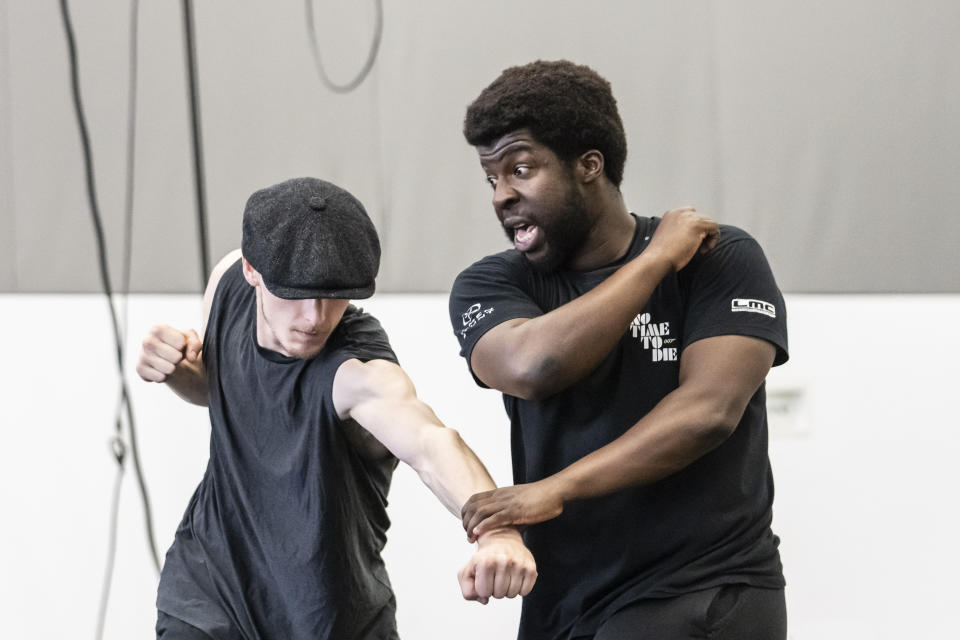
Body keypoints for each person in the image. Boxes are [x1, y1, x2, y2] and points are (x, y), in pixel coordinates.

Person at [448, 60, 789, 640]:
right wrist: (654, 261)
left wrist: (556, 488)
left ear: (589, 166)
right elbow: (534, 366)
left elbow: (707, 413)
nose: (503, 196)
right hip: (563, 601)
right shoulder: (492, 285)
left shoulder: (718, 257)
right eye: (492, 178)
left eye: (521, 169)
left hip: (701, 589)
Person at [136, 177, 537, 640]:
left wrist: (497, 532)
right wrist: (179, 370)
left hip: (328, 617)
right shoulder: (227, 284)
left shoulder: (356, 369)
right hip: (209, 592)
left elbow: (431, 444)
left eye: (334, 295)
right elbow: (222, 390)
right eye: (296, 294)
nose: (314, 318)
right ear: (252, 270)